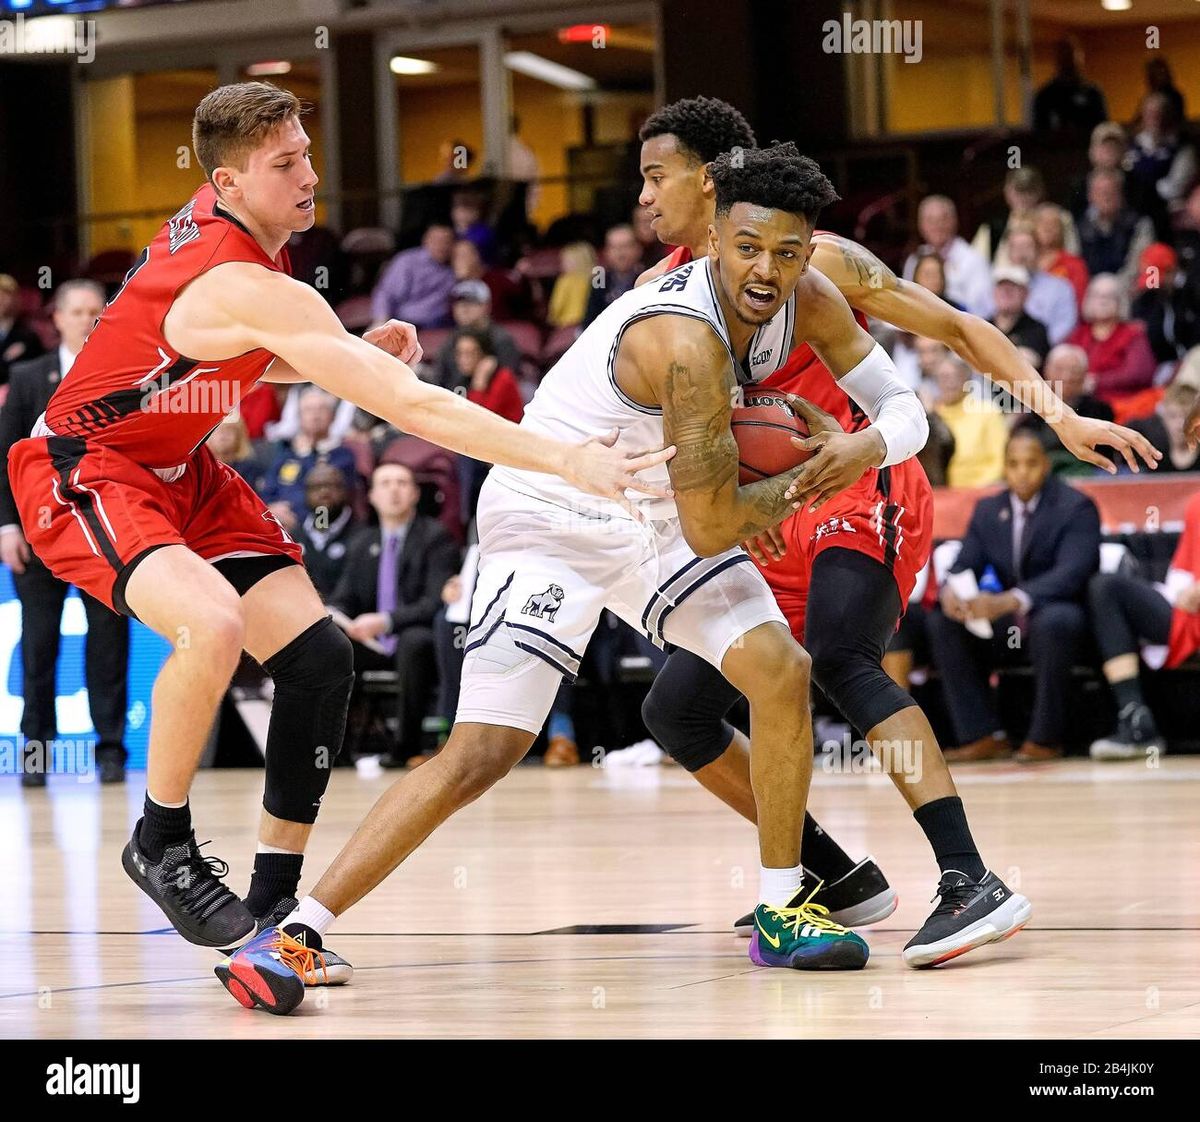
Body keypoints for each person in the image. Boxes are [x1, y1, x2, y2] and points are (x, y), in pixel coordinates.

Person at [6, 82, 669, 979]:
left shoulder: (234, 244)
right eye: (286, 165)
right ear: (231, 182)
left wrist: (342, 347)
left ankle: (276, 903)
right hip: (85, 467)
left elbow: (213, 351)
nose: (310, 176)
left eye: (307, 153)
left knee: (319, 657)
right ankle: (161, 840)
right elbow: (408, 407)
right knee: (214, 625)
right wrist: (563, 458)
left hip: (181, 467)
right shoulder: (238, 274)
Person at [219, 143, 902, 1013]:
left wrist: (809, 468)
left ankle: (783, 909)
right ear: (716, 236)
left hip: (650, 505)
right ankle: (295, 935)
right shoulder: (684, 340)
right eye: (749, 247)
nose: (766, 269)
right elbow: (714, 523)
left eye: (788, 251)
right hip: (554, 514)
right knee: (483, 753)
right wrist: (789, 488)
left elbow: (871, 414)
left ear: (809, 251)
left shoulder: (799, 299)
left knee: (780, 670)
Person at [633, 95, 1152, 967]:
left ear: (711, 178)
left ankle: (969, 878)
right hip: (770, 513)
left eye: (656, 177)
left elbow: (952, 327)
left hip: (860, 476)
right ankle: (837, 878)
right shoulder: (660, 295)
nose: (643, 198)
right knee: (675, 709)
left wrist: (1058, 417)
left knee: (841, 657)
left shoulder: (816, 258)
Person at [0, 279, 129, 787]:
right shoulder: (29, 375)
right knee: (38, 644)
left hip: (103, 532)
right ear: (56, 318)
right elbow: (4, 455)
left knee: (108, 641)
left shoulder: (124, 374)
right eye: (76, 311)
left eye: (96, 310)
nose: (86, 319)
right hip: (38, 531)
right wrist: (7, 524)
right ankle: (36, 753)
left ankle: (112, 751)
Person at [929, 430, 1101, 762]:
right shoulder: (988, 509)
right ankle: (981, 734)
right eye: (1013, 464)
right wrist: (952, 591)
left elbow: (1074, 572)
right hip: (1009, 623)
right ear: (1004, 467)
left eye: (1031, 464)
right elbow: (965, 562)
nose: (1022, 472)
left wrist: (1013, 599)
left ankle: (1045, 738)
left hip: (1060, 611)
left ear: (1046, 465)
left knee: (1054, 622)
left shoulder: (1075, 506)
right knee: (942, 622)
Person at [328, 462, 459, 764]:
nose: (394, 490)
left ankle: (406, 747)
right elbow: (345, 597)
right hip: (372, 641)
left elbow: (435, 602)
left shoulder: (435, 537)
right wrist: (339, 616)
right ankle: (336, 749)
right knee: (333, 645)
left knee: (415, 643)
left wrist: (386, 621)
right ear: (372, 496)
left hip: (414, 633)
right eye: (385, 483)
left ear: (414, 494)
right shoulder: (363, 542)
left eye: (402, 483)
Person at [1086, 490, 1200, 760]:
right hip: (1189, 612)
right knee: (1105, 588)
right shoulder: (1197, 502)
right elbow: (1183, 570)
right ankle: (1135, 719)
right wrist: (1185, 591)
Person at [258, 386, 359, 532]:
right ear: (299, 417)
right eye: (308, 410)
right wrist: (272, 509)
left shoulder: (342, 455)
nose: (315, 416)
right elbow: (267, 491)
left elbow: (323, 495)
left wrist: (307, 455)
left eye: (321, 409)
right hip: (282, 526)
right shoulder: (287, 455)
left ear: (333, 416)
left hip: (322, 525)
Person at [1012, 343, 1114, 473]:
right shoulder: (1030, 412)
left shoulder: (1101, 410)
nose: (1067, 377)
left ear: (1085, 375)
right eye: (1059, 369)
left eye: (1074, 371)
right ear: (1046, 371)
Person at [1067, 274, 1157, 407]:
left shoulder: (1133, 333)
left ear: (1120, 301)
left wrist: (1098, 381)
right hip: (1081, 403)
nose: (1103, 301)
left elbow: (1139, 373)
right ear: (1088, 300)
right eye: (1097, 295)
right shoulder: (1079, 334)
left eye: (1109, 296)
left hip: (1122, 405)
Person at [903, 196, 994, 317]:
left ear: (954, 221)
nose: (936, 226)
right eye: (930, 220)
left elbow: (983, 310)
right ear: (921, 225)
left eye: (943, 219)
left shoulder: (974, 259)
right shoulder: (914, 259)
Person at [934, 356, 1009, 487]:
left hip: (982, 491)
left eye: (954, 377)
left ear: (966, 379)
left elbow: (1000, 459)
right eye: (943, 377)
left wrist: (977, 489)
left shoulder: (988, 411)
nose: (948, 383)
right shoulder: (933, 417)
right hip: (943, 494)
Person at [431, 279, 521, 387]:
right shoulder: (450, 341)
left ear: (487, 305)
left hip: (490, 399)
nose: (463, 308)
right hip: (454, 399)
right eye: (459, 303)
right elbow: (438, 381)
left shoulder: (501, 339)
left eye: (471, 302)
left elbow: (509, 382)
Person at [291, 461, 360, 600]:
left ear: (345, 490)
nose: (324, 492)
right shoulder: (292, 538)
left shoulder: (363, 536)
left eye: (330, 485)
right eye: (316, 487)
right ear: (305, 493)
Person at [1077, 169, 1154, 288]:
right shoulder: (1078, 226)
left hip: (1127, 288)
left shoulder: (1139, 224)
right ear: (1090, 196)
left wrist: (1115, 287)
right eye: (1101, 192)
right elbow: (1076, 264)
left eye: (1111, 192)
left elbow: (1140, 264)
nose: (1106, 197)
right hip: (1090, 290)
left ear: (1121, 195)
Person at [370, 223, 456, 329]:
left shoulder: (456, 264)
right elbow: (387, 293)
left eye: (446, 242)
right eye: (436, 241)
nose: (441, 246)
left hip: (440, 326)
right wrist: (380, 320)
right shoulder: (407, 261)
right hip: (403, 321)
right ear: (425, 241)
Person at [1003, 224, 1077, 346]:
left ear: (1039, 251)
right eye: (1016, 247)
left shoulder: (1060, 287)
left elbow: (1065, 325)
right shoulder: (995, 286)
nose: (1022, 254)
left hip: (1044, 353)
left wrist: (1037, 346)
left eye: (1027, 247)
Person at [1033, 38, 1108, 134]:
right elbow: (1038, 132)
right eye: (1064, 56)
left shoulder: (1092, 93)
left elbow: (1103, 128)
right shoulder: (1045, 96)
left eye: (1071, 56)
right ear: (1057, 59)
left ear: (1080, 58)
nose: (1068, 61)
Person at [1126, 381, 1200, 473]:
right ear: (1164, 417)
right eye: (1173, 416)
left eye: (1187, 417)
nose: (1180, 424)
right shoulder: (1153, 454)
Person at [584, 223, 645, 327]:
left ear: (638, 249)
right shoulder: (600, 277)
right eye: (614, 248)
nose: (620, 254)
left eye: (625, 247)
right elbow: (590, 318)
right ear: (606, 252)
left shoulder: (649, 277)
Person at [988, 265, 1050, 365]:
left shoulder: (1036, 329)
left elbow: (1031, 361)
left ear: (1026, 294)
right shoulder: (983, 324)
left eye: (1013, 287)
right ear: (994, 292)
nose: (1006, 292)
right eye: (1001, 286)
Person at [1035, 203, 1089, 308]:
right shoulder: (1023, 260)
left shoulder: (1074, 264)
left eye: (1053, 224)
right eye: (1042, 222)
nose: (1047, 228)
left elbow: (1078, 302)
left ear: (1062, 230)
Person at [0, 273, 46, 386]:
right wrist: (5, 359)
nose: (0, 299)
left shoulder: (28, 337)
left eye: (5, 294)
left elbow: (39, 370)